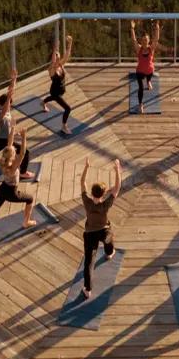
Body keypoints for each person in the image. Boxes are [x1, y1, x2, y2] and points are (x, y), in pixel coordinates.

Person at [80, 157, 122, 299]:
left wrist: (86, 167)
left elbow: (82, 183)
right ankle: (109, 253)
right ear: (103, 194)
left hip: (90, 233)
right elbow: (117, 188)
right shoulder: (105, 204)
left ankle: (87, 289)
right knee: (109, 238)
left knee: (89, 262)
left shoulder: (87, 201)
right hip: (104, 229)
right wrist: (117, 171)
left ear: (92, 193)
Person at [42, 34, 74, 135]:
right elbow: (53, 61)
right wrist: (55, 49)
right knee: (68, 108)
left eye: (58, 57)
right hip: (56, 93)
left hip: (59, 91)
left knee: (52, 98)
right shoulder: (51, 70)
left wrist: (70, 43)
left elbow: (67, 55)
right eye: (56, 58)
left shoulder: (61, 66)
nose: (58, 59)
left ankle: (43, 102)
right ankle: (64, 126)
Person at [129, 20, 161, 114]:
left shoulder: (151, 48)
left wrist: (157, 28)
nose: (144, 41)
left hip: (149, 71)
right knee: (140, 88)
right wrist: (132, 28)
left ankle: (148, 81)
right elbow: (133, 40)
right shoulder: (139, 48)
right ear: (141, 41)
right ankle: (140, 104)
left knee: (149, 76)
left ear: (148, 41)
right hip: (140, 71)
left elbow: (156, 39)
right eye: (143, 40)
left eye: (146, 40)